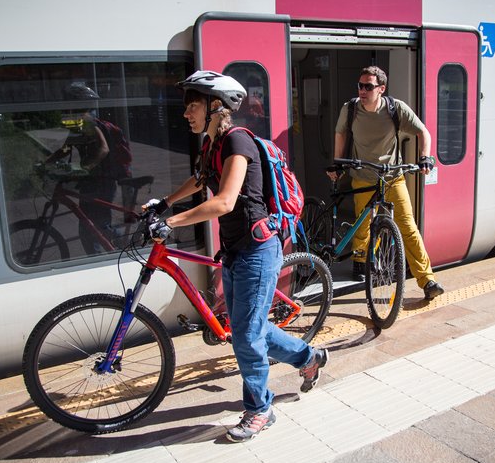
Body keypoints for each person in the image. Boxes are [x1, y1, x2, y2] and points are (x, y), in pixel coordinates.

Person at [143, 70, 329, 442]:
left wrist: (173, 221)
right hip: (234, 252)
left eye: (191, 106)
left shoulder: (237, 142)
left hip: (258, 251)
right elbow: (200, 181)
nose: (186, 114)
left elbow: (225, 200)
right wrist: (165, 202)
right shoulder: (213, 145)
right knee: (251, 330)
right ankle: (309, 357)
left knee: (245, 336)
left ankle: (260, 409)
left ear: (215, 106)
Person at [330, 66, 445, 300]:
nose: (362, 90)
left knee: (408, 228)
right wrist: (338, 162)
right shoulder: (350, 109)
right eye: (360, 86)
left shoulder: (395, 109)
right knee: (362, 224)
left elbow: (423, 132)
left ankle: (427, 279)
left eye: (368, 86)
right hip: (363, 176)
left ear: (381, 89)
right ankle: (360, 260)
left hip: (392, 177)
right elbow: (341, 133)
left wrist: (424, 157)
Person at [44, 82, 121, 255]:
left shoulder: (88, 120)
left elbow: (104, 148)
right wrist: (47, 162)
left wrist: (84, 167)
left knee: (99, 226)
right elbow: (66, 148)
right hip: (92, 181)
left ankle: (129, 245)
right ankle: (95, 261)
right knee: (87, 225)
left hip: (102, 181)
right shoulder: (77, 121)